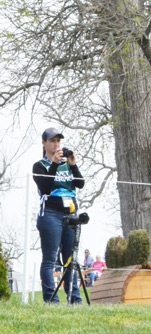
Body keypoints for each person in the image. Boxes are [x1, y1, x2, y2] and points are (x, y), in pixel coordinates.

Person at [32, 127, 85, 304]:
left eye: (58, 141)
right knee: (50, 259)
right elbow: (46, 187)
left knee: (70, 259)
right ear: (44, 143)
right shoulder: (40, 165)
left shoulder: (66, 165)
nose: (56, 145)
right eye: (53, 141)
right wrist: (54, 163)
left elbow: (80, 183)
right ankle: (51, 300)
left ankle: (75, 300)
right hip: (50, 214)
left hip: (70, 214)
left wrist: (73, 164)